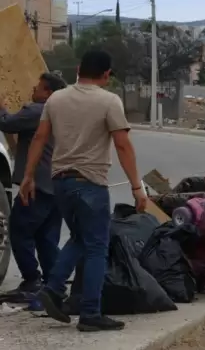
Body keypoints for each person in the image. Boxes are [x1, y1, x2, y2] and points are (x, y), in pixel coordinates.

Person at [18, 49, 148, 332]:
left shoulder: (56, 98)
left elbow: (39, 138)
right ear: (106, 75)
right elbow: (123, 145)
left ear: (78, 69)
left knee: (79, 237)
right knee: (96, 247)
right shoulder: (109, 101)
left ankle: (52, 289)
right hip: (90, 183)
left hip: (60, 182)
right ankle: (91, 312)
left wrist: (28, 176)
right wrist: (137, 187)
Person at [0, 72, 68, 299]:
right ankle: (54, 285)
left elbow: (7, 123)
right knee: (46, 237)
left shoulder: (38, 111)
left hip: (37, 184)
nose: (33, 90)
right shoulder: (63, 112)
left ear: (49, 93)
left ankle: (31, 279)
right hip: (57, 184)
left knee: (19, 229)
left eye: (38, 87)